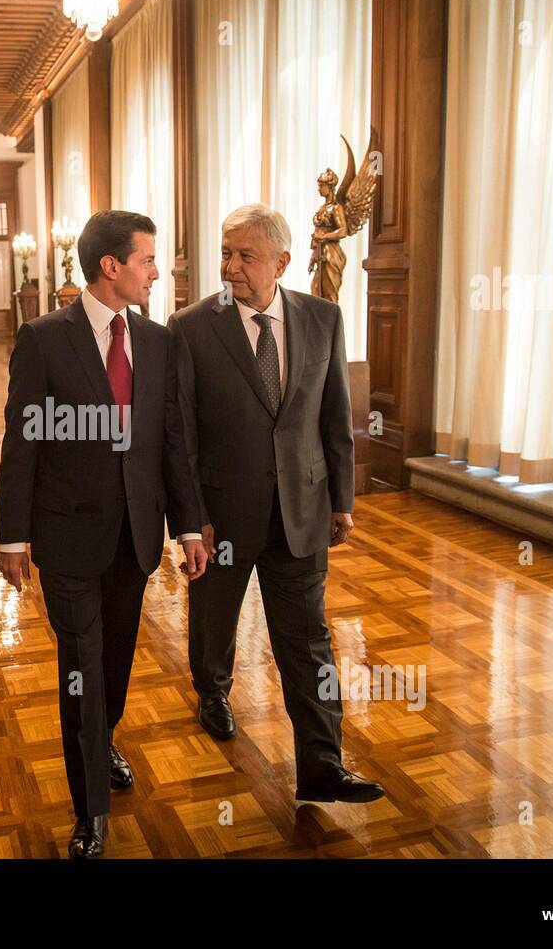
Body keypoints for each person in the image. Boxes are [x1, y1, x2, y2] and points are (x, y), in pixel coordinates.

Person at [0, 210, 209, 858]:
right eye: (148, 260)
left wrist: (190, 524)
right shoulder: (43, 339)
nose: (157, 271)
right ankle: (89, 814)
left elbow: (173, 441)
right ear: (111, 266)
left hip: (135, 538)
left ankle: (102, 740)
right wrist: (11, 536)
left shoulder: (158, 340)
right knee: (81, 671)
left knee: (113, 663)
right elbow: (23, 440)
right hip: (67, 541)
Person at [168, 203, 384, 805]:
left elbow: (334, 417)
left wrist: (342, 498)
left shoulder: (323, 319)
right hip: (222, 517)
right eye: (226, 252)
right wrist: (191, 522)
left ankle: (322, 766)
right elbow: (180, 434)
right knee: (215, 621)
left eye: (245, 255)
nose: (230, 266)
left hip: (302, 511)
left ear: (282, 263)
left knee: (309, 640)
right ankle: (212, 691)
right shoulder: (190, 326)